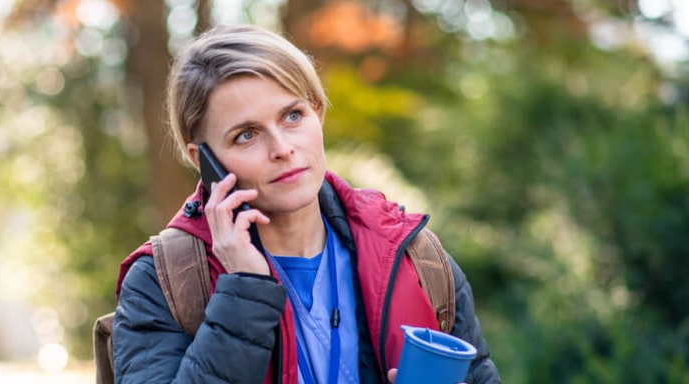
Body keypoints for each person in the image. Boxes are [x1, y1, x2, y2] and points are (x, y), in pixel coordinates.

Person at [112, 24, 502, 384]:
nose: (283, 149)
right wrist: (244, 292)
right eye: (246, 135)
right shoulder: (163, 282)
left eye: (293, 116)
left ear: (317, 112)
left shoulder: (413, 256)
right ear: (204, 161)